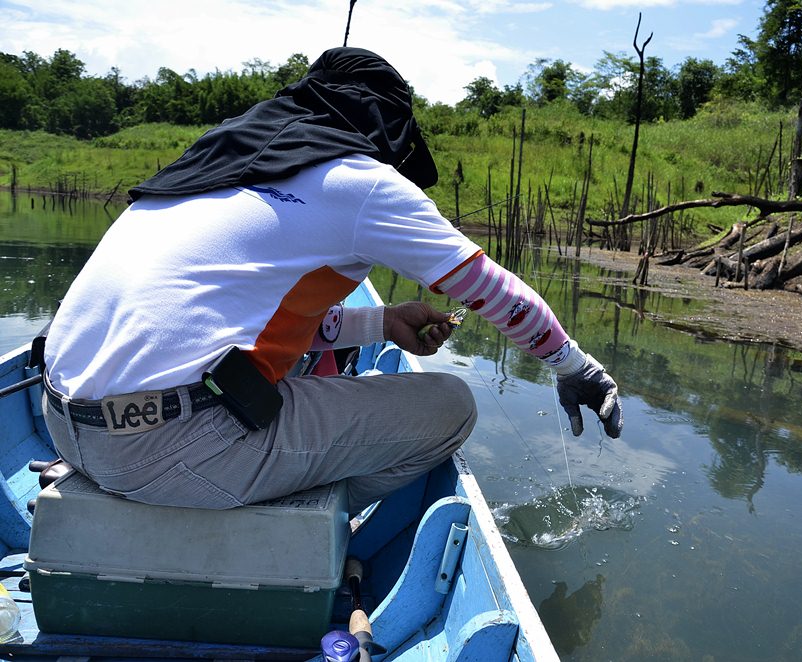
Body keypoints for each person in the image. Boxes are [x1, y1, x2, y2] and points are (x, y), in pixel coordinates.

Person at [41, 47, 623, 515]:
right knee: (450, 404)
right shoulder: (361, 182)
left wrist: (384, 322)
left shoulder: (217, 161)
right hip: (167, 449)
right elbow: (494, 292)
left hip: (66, 428)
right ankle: (306, 520)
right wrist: (577, 369)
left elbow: (241, 319)